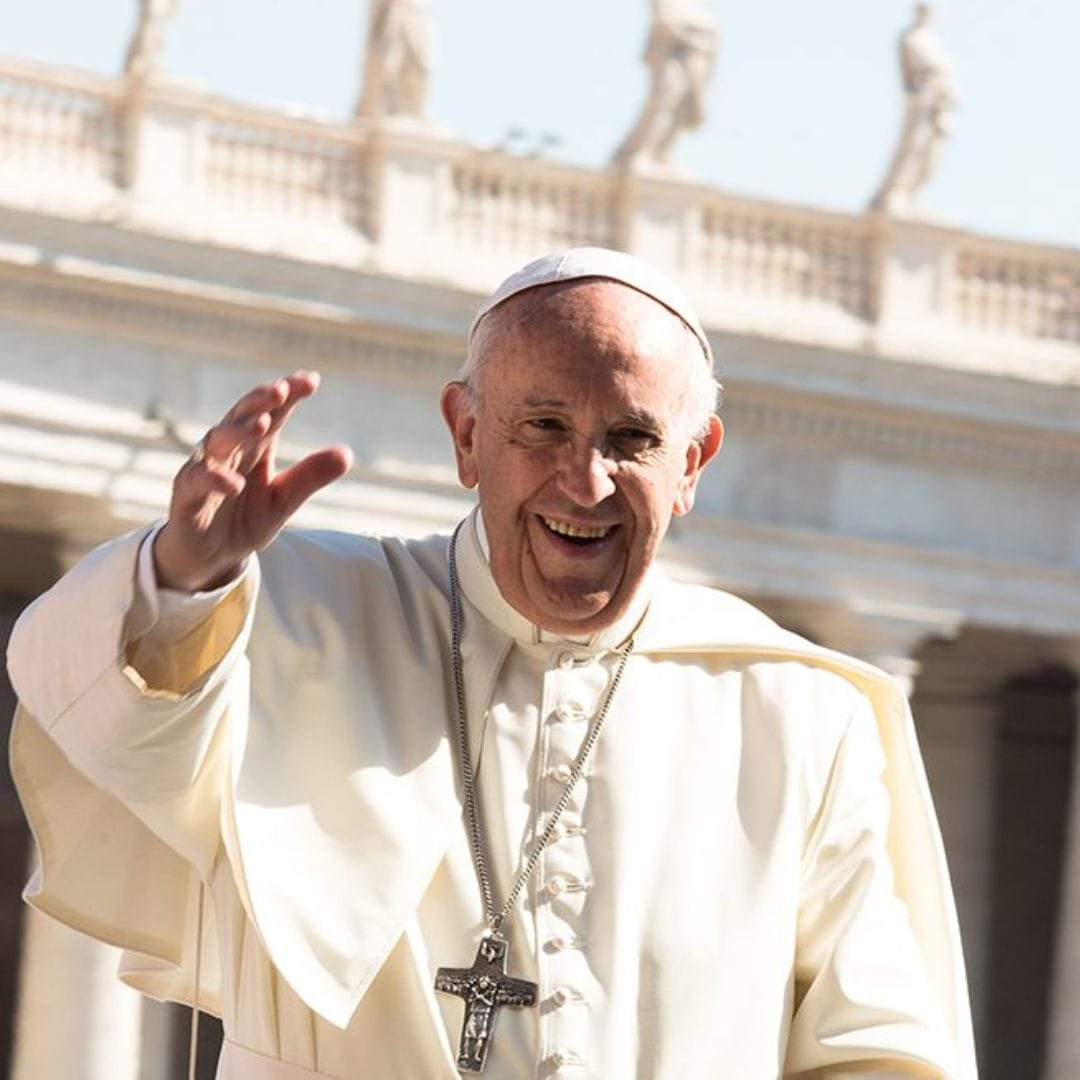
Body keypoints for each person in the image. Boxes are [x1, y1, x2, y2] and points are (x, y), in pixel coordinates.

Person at [9, 248, 976, 1078]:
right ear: (467, 435)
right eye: (543, 426)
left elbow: (878, 1043)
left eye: (633, 438)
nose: (585, 480)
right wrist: (182, 578)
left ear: (693, 464)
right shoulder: (297, 613)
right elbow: (102, 718)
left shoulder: (800, 714)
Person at [870, 2, 957, 214]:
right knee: (916, 142)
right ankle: (898, 192)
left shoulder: (932, 41)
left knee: (932, 149)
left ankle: (911, 194)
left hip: (939, 98)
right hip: (924, 94)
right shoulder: (911, 38)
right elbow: (909, 76)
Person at [612, 0, 718, 169]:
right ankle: (640, 152)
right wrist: (689, 39)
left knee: (685, 107)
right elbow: (665, 21)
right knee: (665, 100)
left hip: (701, 50)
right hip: (674, 46)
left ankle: (662, 154)